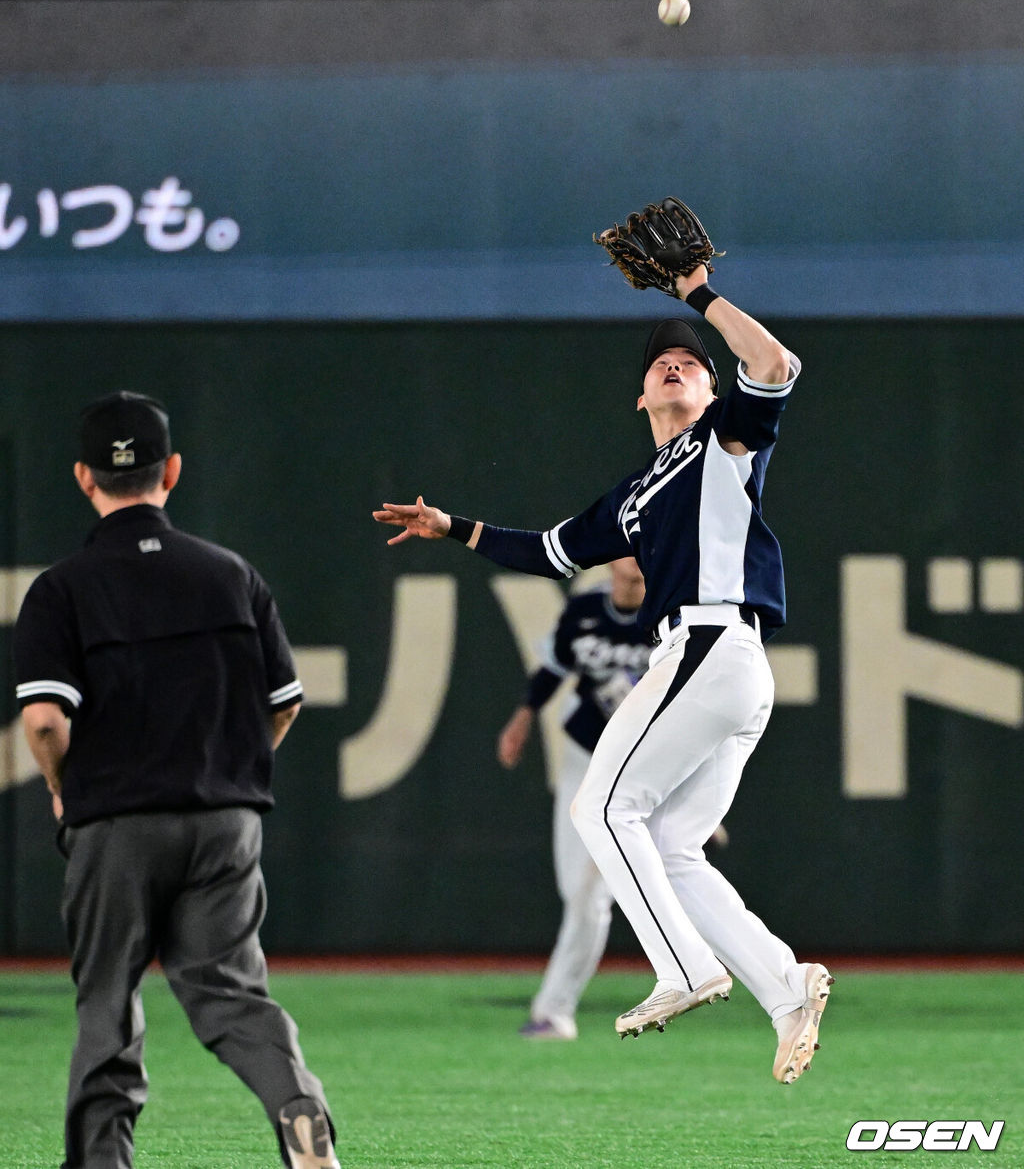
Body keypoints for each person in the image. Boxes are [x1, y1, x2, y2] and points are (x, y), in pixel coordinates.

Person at [373, 257, 833, 1084]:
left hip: (710, 644)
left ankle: (685, 969)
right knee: (671, 842)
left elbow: (775, 367)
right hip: (724, 669)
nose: (677, 363)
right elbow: (549, 550)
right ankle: (786, 987)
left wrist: (697, 294)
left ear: (708, 388)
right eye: (662, 361)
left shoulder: (723, 438)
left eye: (691, 360)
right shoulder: (630, 495)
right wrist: (453, 528)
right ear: (640, 396)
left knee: (601, 806)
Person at [13, 391, 340, 1169]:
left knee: (107, 1001)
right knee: (232, 995)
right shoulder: (231, 575)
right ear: (175, 471)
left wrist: (63, 784)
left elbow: (46, 722)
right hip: (223, 819)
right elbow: (284, 705)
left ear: (83, 479)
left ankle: (102, 1161)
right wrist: (231, 767)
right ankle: (300, 1113)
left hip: (115, 823)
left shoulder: (63, 587)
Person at [497, 556, 650, 1041]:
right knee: (576, 891)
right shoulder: (585, 609)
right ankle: (555, 1010)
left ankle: (554, 1011)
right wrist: (522, 718)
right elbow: (552, 668)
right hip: (585, 757)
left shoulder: (675, 614)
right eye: (630, 550)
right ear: (612, 562)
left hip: (643, 766)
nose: (637, 562)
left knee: (591, 894)